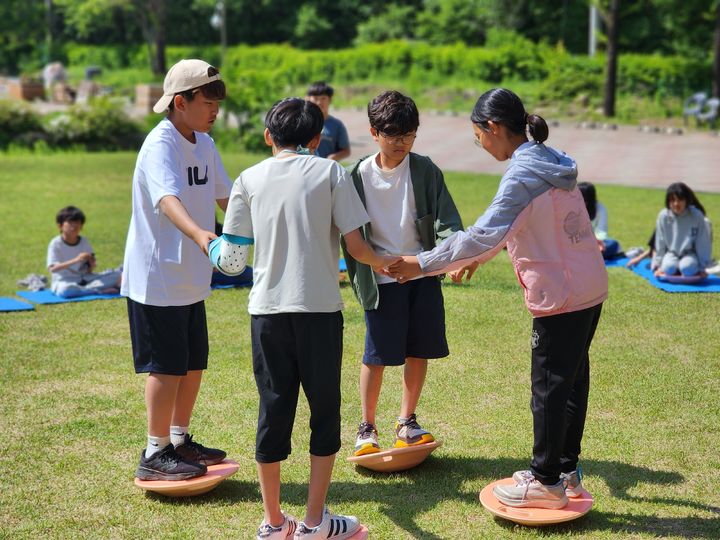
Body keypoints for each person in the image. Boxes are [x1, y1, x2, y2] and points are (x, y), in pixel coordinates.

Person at [388, 88, 608, 510]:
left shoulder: (522, 174)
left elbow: (484, 232)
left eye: (478, 137)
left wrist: (420, 262)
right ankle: (565, 471)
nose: (481, 145)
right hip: (587, 286)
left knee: (547, 388)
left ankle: (546, 481)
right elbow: (515, 226)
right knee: (571, 381)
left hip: (560, 293)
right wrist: (481, 258)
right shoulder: (548, 158)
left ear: (492, 128)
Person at [216, 97, 396, 540]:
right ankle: (315, 522)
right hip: (318, 311)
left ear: (267, 137)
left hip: (267, 315)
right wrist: (394, 263)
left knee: (273, 409)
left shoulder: (248, 178)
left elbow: (233, 262)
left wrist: (208, 243)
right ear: (316, 140)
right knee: (324, 412)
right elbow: (357, 248)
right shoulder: (331, 172)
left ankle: (274, 522)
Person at [342, 90, 472, 458]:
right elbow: (347, 232)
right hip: (380, 278)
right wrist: (377, 262)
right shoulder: (356, 176)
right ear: (373, 132)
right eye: (393, 135)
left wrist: (453, 257)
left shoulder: (426, 170)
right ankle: (366, 426)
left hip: (423, 272)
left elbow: (448, 222)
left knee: (419, 350)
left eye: (409, 134)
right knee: (376, 354)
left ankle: (407, 421)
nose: (401, 143)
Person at [121, 59, 231, 482]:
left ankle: (179, 439)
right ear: (180, 102)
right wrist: (205, 236)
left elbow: (226, 196)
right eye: (208, 100)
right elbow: (168, 201)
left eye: (219, 100)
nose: (215, 110)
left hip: (190, 277)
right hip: (158, 279)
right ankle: (154, 450)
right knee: (165, 367)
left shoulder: (204, 141)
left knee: (192, 363)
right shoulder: (160, 144)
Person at [47, 205, 122, 298]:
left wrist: (91, 264)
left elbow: (89, 269)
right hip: (64, 281)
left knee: (119, 276)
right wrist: (76, 260)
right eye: (70, 222)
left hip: (85, 279)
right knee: (65, 290)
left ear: (81, 225)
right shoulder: (55, 243)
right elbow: (53, 269)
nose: (74, 226)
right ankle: (97, 291)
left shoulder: (84, 241)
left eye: (77, 222)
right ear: (60, 225)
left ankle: (87, 290)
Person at [652, 182, 712, 277]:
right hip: (671, 253)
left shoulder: (696, 215)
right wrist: (658, 265)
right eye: (672, 200)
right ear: (668, 202)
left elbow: (702, 242)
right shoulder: (663, 216)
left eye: (680, 200)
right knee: (668, 268)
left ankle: (683, 268)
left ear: (686, 200)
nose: (676, 204)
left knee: (687, 269)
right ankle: (675, 268)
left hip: (690, 254)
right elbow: (660, 242)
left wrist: (702, 267)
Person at [306, 81, 351, 161]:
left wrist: (333, 157)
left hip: (327, 170)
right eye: (316, 98)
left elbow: (346, 151)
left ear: (330, 99)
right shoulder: (302, 123)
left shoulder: (337, 125)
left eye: (323, 98)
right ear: (308, 99)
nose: (319, 102)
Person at [577, 181, 621, 259]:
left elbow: (601, 231)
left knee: (613, 244)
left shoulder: (600, 208)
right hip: (575, 243)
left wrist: (595, 243)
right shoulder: (570, 208)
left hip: (594, 244)